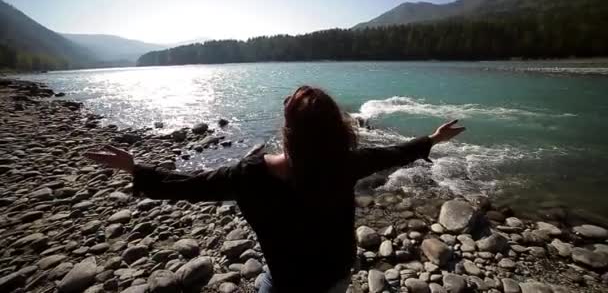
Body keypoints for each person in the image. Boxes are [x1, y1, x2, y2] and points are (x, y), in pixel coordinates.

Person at [85, 85, 465, 293]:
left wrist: (136, 169)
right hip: (335, 272)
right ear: (335, 130)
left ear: (287, 131)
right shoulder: (345, 162)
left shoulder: (248, 176)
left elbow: (190, 185)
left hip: (286, 282)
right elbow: (392, 154)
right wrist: (429, 139)